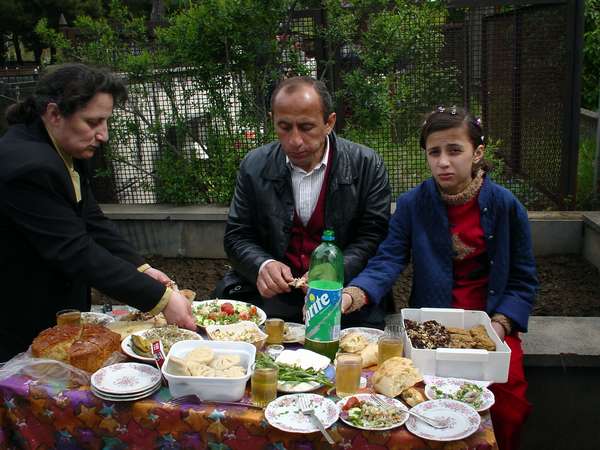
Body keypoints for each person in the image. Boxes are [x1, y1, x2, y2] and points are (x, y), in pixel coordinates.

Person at [343, 106, 537, 450]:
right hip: (428, 328)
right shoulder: (413, 204)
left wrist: (500, 326)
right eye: (435, 152)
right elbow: (387, 260)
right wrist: (353, 294)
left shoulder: (507, 206)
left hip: (490, 329)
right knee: (420, 404)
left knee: (507, 405)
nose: (443, 161)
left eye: (454, 150)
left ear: (477, 153)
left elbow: (522, 280)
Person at [0, 63, 196, 361]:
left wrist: (141, 268)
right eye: (93, 122)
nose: (102, 135)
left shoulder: (62, 146)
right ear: (54, 114)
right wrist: (161, 299)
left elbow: (91, 220)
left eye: (105, 122)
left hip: (56, 312)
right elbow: (74, 249)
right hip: (20, 318)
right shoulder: (27, 165)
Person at [217, 76, 392, 328]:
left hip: (343, 294)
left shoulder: (366, 165)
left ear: (329, 122)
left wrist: (333, 270)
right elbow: (237, 236)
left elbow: (373, 237)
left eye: (306, 127)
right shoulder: (253, 165)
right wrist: (262, 265)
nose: (295, 140)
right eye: (284, 127)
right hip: (272, 298)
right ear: (272, 120)